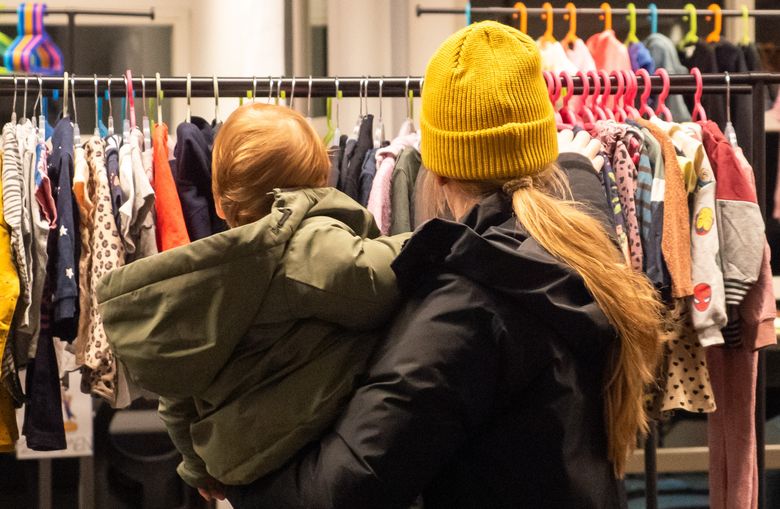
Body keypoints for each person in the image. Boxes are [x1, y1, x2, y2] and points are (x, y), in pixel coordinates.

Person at [226, 21, 665, 509]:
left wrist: (236, 482)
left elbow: (346, 488)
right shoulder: (588, 251)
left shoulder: (468, 305)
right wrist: (575, 165)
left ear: (436, 169)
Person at [96, 104, 409, 500]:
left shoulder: (210, 276)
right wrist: (421, 239)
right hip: (301, 439)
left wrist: (197, 468)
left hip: (235, 460)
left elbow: (178, 396)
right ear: (321, 180)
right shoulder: (307, 242)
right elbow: (377, 279)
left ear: (220, 204)